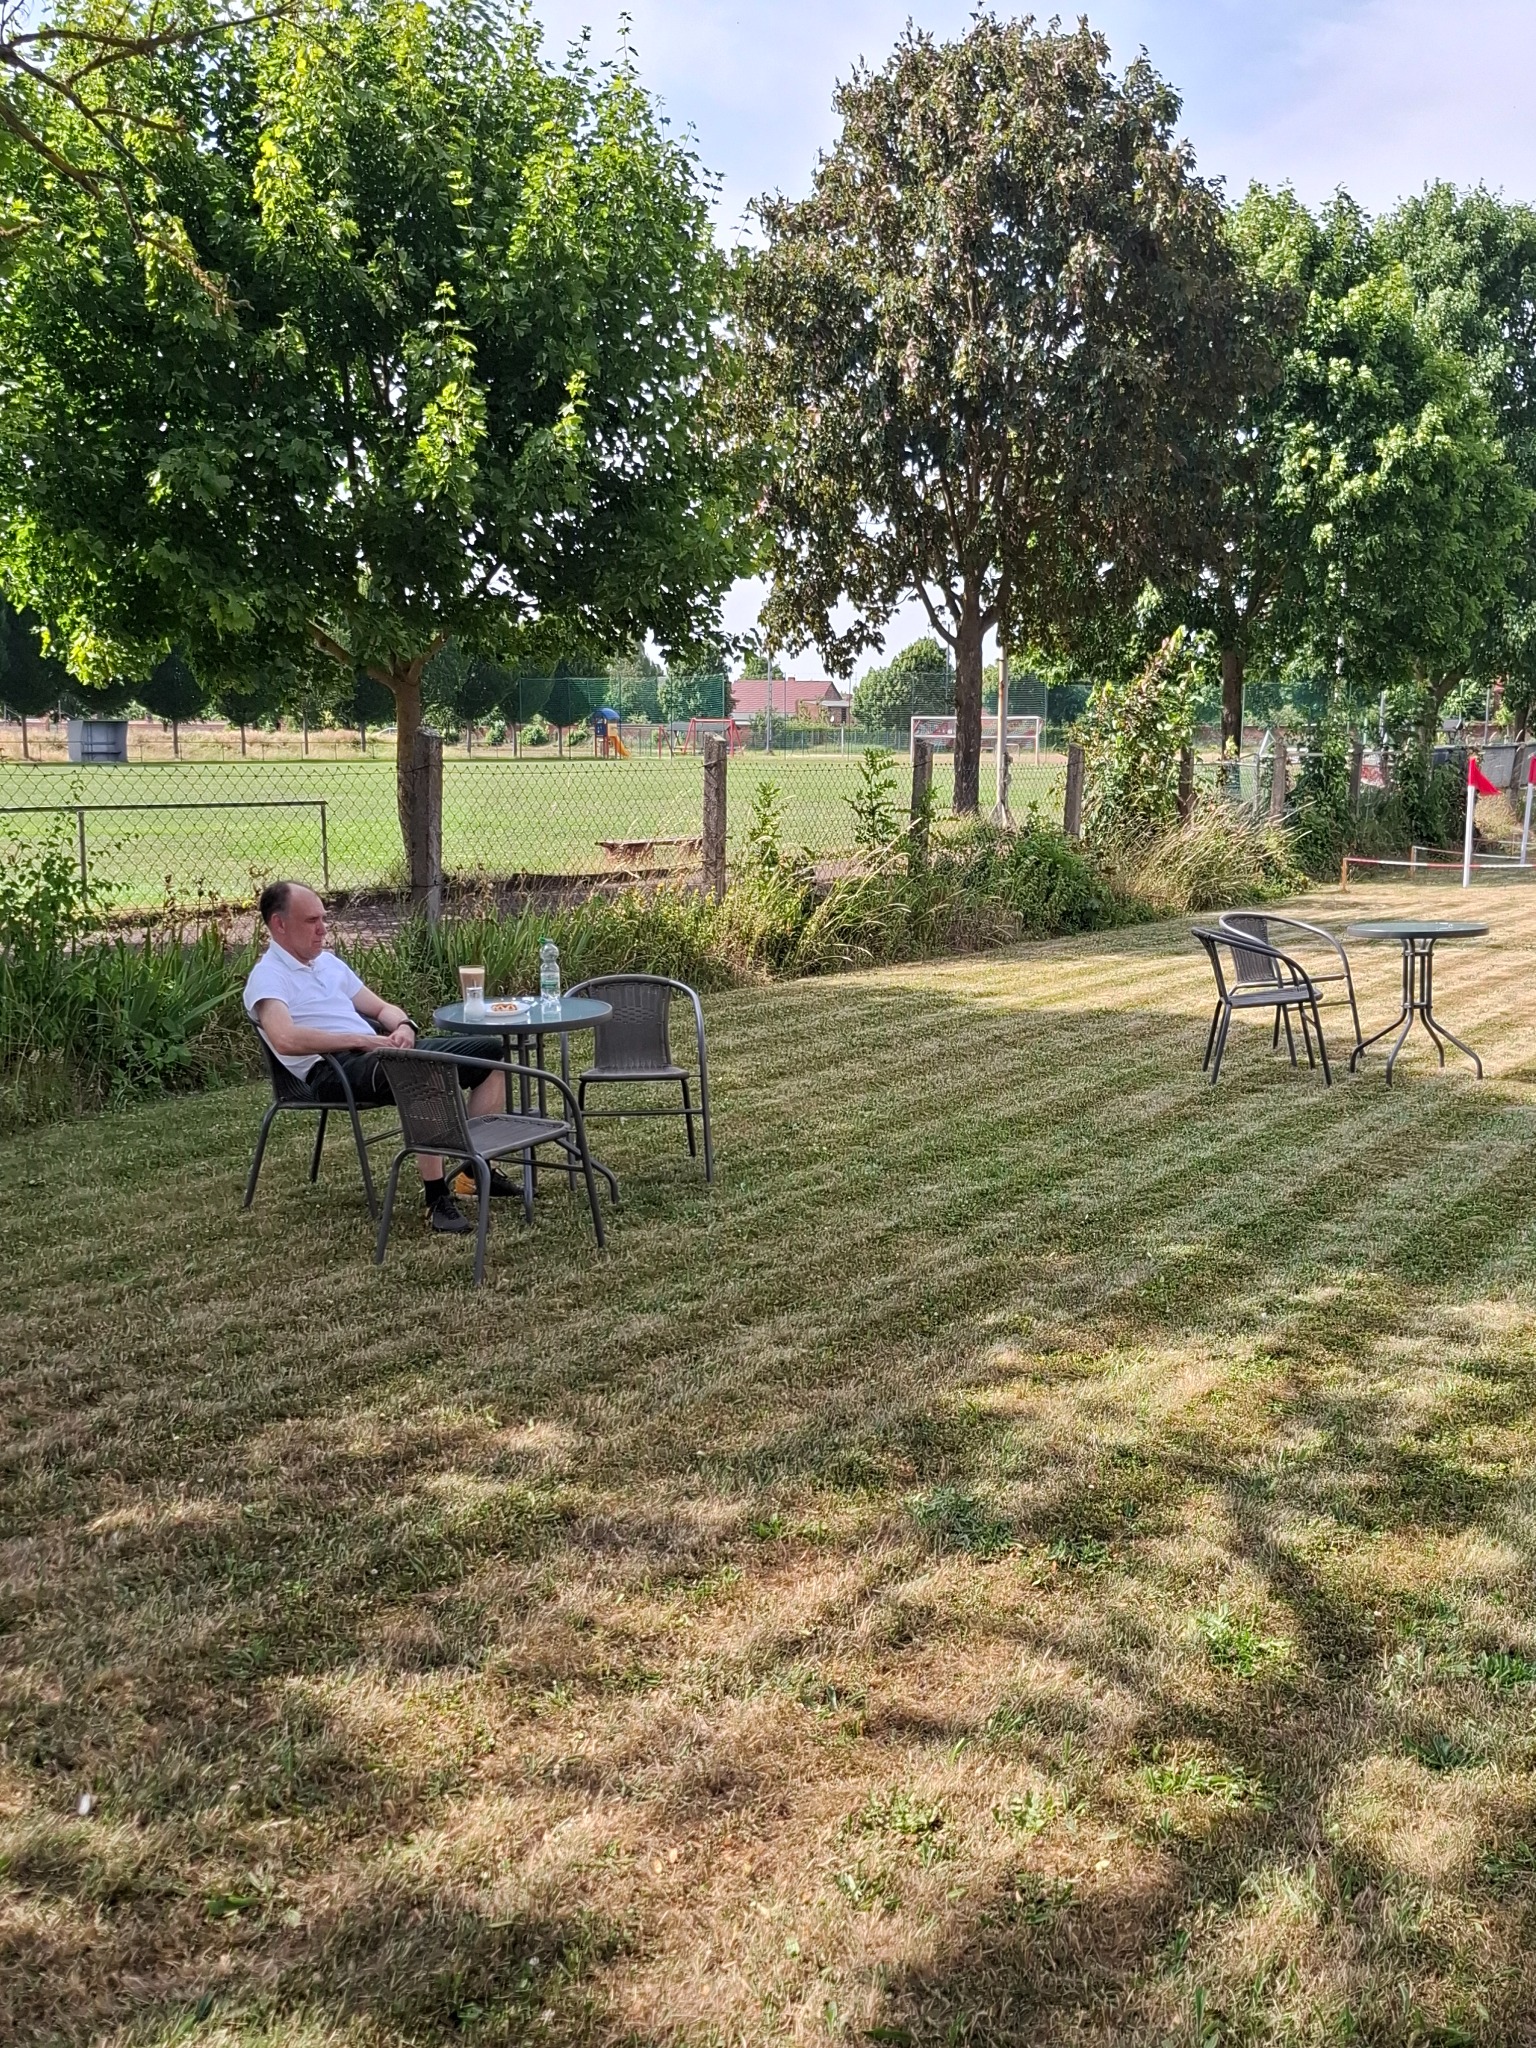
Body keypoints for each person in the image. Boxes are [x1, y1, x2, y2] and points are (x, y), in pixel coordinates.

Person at [244, 880, 513, 1235]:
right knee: (421, 1070)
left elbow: (382, 1007)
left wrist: (402, 1025)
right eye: (312, 921)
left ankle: (472, 1173)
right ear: (279, 924)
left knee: (489, 1053)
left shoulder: (328, 964)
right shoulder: (268, 977)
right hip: (334, 1069)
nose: (323, 929)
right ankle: (435, 1199)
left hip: (377, 1051)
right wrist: (360, 1039)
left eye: (324, 918)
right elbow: (285, 1038)